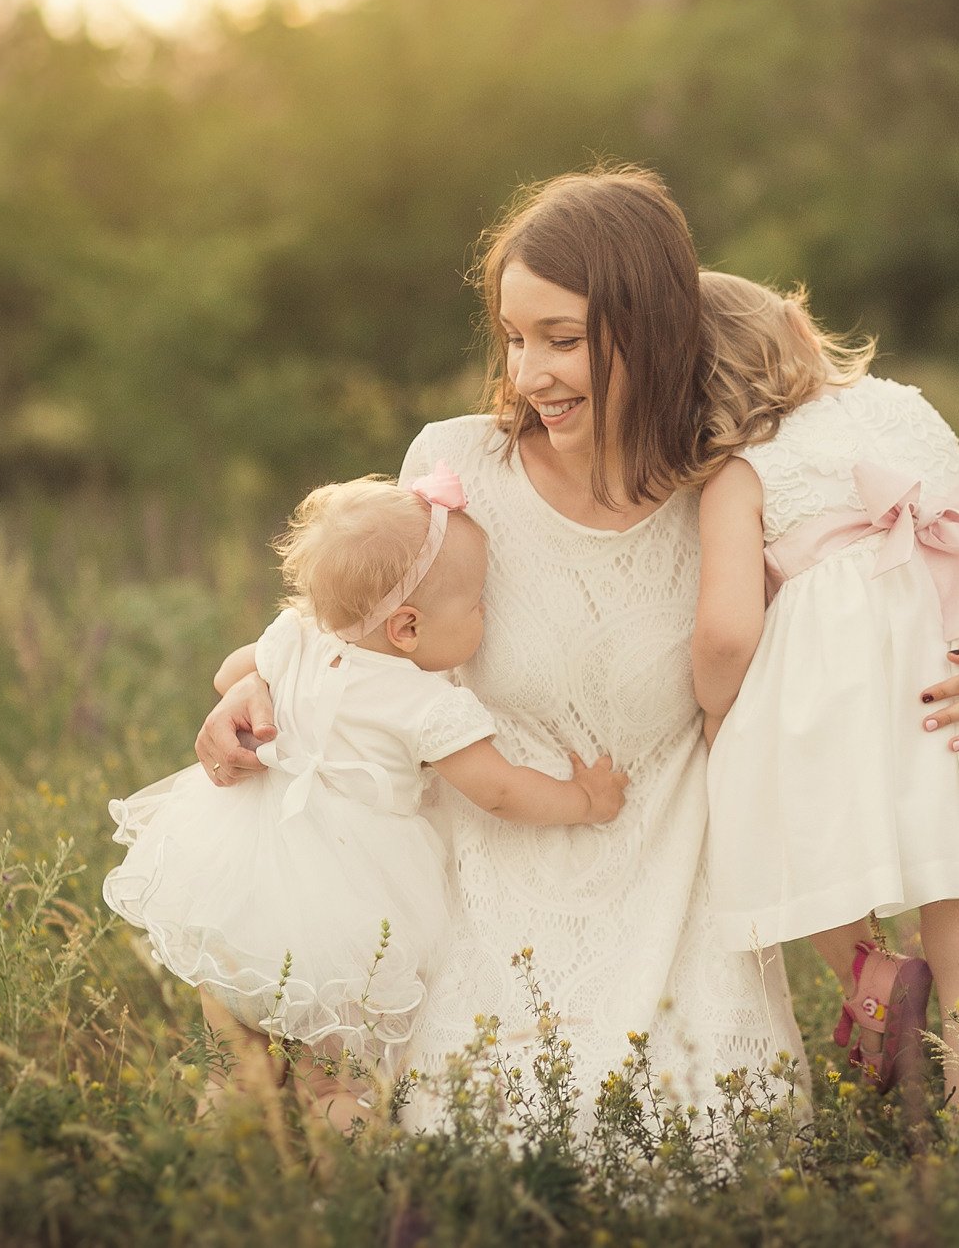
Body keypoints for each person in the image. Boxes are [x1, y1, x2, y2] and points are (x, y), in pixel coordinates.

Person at [193, 167, 959, 1124]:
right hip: (485, 911)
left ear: (652, 331)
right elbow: (360, 625)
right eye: (513, 336)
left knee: (699, 1157)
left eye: (562, 339)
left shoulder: (736, 489)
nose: (528, 373)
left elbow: (877, 628)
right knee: (470, 1151)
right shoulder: (454, 467)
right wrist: (253, 677)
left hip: (681, 922)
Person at [690, 271, 959, 1102]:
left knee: (781, 823)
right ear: (799, 327)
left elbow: (726, 632)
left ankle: (871, 975)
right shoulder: (908, 408)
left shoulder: (738, 473)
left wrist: (718, 711)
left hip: (839, 729)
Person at [104, 468, 628, 1129]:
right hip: (344, 911)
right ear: (407, 628)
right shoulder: (424, 702)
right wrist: (584, 799)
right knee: (337, 1084)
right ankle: (344, 1198)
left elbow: (227, 674)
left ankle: (222, 1187)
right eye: (476, 605)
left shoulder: (297, 636)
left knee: (233, 1067)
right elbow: (498, 790)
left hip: (242, 886)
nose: (487, 614)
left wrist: (265, 678)